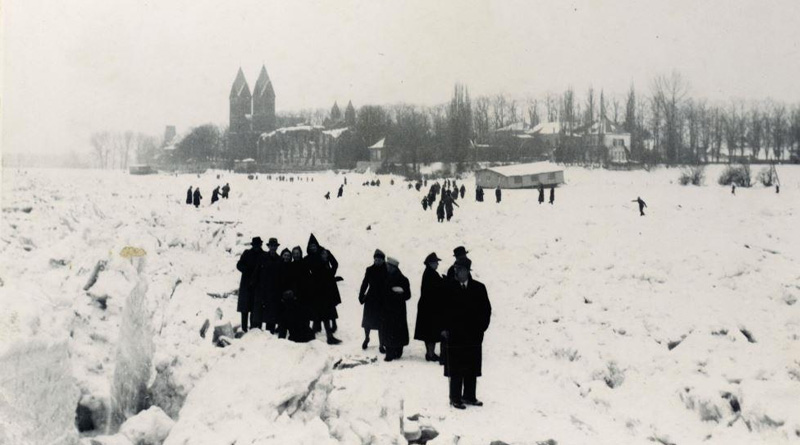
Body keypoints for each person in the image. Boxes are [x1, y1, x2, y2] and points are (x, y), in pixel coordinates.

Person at [441, 258, 491, 409]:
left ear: (467, 271)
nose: (457, 272)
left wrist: (481, 328)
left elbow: (486, 310)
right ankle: (455, 398)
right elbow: (441, 310)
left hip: (473, 335)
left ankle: (469, 396)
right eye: (456, 269)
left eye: (460, 270)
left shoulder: (479, 288)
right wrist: (443, 328)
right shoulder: (448, 287)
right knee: (455, 367)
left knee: (471, 365)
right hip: (455, 335)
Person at [304, 234, 342, 344]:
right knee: (318, 310)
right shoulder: (308, 258)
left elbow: (335, 263)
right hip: (315, 288)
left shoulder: (324, 253)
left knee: (327, 309)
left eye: (314, 245)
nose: (313, 248)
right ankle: (317, 331)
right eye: (311, 246)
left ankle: (329, 335)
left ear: (317, 245)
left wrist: (331, 274)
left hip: (326, 287)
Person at [414, 253, 445, 362]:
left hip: (426, 307)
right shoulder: (431, 274)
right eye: (436, 262)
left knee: (429, 332)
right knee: (431, 333)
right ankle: (430, 354)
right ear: (431, 263)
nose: (437, 264)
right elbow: (437, 288)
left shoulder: (428, 273)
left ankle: (429, 353)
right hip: (430, 308)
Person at [380, 257, 411, 361]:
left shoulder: (403, 279)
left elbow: (408, 295)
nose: (387, 267)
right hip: (388, 310)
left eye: (388, 266)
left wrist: (399, 293)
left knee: (397, 331)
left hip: (398, 311)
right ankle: (389, 353)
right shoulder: (385, 277)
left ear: (394, 267)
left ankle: (398, 351)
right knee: (388, 331)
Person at [252, 237, 284, 332]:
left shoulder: (279, 260)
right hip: (262, 291)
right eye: (271, 246)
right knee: (259, 316)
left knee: (271, 317)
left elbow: (281, 277)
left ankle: (270, 336)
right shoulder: (262, 257)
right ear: (268, 247)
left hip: (273, 292)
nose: (273, 248)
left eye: (275, 246)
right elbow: (256, 272)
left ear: (277, 247)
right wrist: (254, 285)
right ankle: (256, 335)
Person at [358, 249, 388, 351]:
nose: (377, 261)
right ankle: (367, 338)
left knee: (382, 323)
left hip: (382, 300)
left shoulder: (387, 270)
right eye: (376, 259)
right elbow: (365, 283)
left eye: (380, 259)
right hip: (370, 299)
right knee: (368, 322)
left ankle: (381, 344)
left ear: (383, 260)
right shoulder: (369, 269)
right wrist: (361, 295)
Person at [236, 237, 263, 332]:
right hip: (246, 285)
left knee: (254, 309)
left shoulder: (263, 255)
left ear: (261, 245)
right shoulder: (247, 253)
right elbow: (239, 265)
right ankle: (244, 329)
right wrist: (246, 270)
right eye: (255, 245)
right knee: (245, 309)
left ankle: (253, 330)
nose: (257, 247)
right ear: (252, 245)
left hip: (257, 285)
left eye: (258, 245)